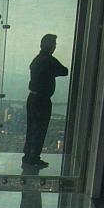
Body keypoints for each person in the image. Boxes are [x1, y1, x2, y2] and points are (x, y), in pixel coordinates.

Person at [22, 33, 68, 168]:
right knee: (40, 129)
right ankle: (34, 158)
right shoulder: (48, 60)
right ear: (51, 46)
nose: (55, 48)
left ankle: (28, 156)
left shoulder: (36, 59)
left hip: (32, 98)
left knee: (31, 128)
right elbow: (64, 71)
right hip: (42, 100)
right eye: (54, 45)